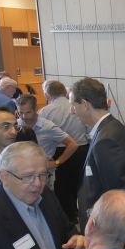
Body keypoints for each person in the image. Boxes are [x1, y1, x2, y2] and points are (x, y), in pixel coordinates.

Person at [70, 77, 125, 231]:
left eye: (73, 105)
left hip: (105, 229)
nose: (71, 111)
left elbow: (116, 194)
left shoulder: (106, 140)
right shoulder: (112, 129)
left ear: (84, 104)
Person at [40, 80, 90, 222]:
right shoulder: (76, 106)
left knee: (62, 186)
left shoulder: (46, 111)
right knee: (79, 184)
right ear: (64, 91)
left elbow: (43, 135)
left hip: (60, 151)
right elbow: (87, 129)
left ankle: (68, 217)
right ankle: (79, 212)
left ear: (47, 94)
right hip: (81, 149)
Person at [16, 95, 78, 184]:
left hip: (43, 175)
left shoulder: (48, 127)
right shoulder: (17, 125)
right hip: (22, 173)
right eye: (20, 113)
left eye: (28, 112)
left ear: (36, 109)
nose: (24, 116)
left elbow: (73, 145)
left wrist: (57, 162)